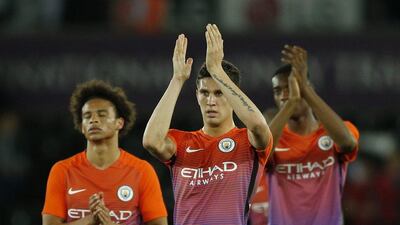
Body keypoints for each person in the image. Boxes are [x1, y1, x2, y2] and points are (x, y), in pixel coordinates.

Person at [142, 24, 273, 225]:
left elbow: (259, 126)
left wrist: (217, 72)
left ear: (231, 94)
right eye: (205, 93)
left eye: (219, 93)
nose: (211, 101)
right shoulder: (181, 143)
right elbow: (151, 141)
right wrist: (177, 80)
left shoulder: (247, 142)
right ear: (197, 96)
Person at [42, 80, 167, 225]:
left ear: (119, 123)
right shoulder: (62, 171)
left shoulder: (142, 171)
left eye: (102, 115)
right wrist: (90, 220)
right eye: (87, 116)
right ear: (82, 126)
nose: (93, 120)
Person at [266, 45, 359, 225]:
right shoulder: (275, 138)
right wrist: (292, 102)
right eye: (278, 91)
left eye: (292, 87)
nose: (285, 95)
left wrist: (305, 91)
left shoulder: (333, 131)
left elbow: (348, 144)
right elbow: (261, 153)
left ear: (309, 88)